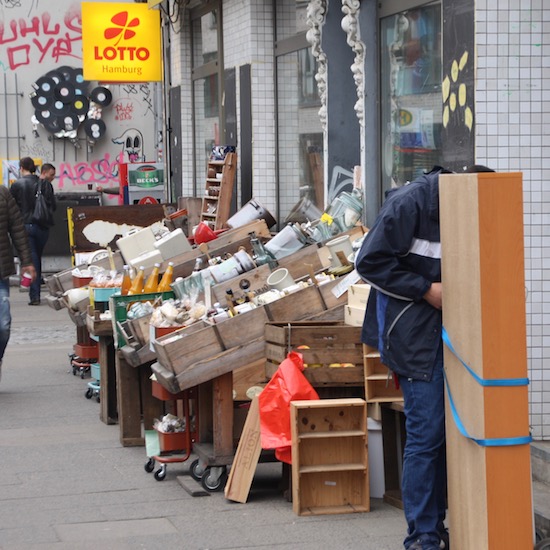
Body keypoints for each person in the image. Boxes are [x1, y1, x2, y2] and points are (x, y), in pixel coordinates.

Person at [355, 166, 452, 550]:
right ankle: (423, 536)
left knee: (444, 437)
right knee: (427, 435)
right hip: (412, 336)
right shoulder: (409, 204)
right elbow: (369, 263)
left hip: (449, 336)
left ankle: (438, 525)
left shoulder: (456, 206)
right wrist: (425, 289)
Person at [0, 184, 37, 381]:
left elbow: (17, 229)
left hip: (0, 273)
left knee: (3, 325)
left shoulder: (3, 193)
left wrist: (27, 262)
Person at [10, 158, 56, 306]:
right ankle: (34, 289)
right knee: (37, 257)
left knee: (32, 259)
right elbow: (52, 206)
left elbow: (12, 208)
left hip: (25, 226)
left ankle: (34, 295)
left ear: (21, 167)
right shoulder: (45, 184)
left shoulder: (17, 185)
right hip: (42, 227)